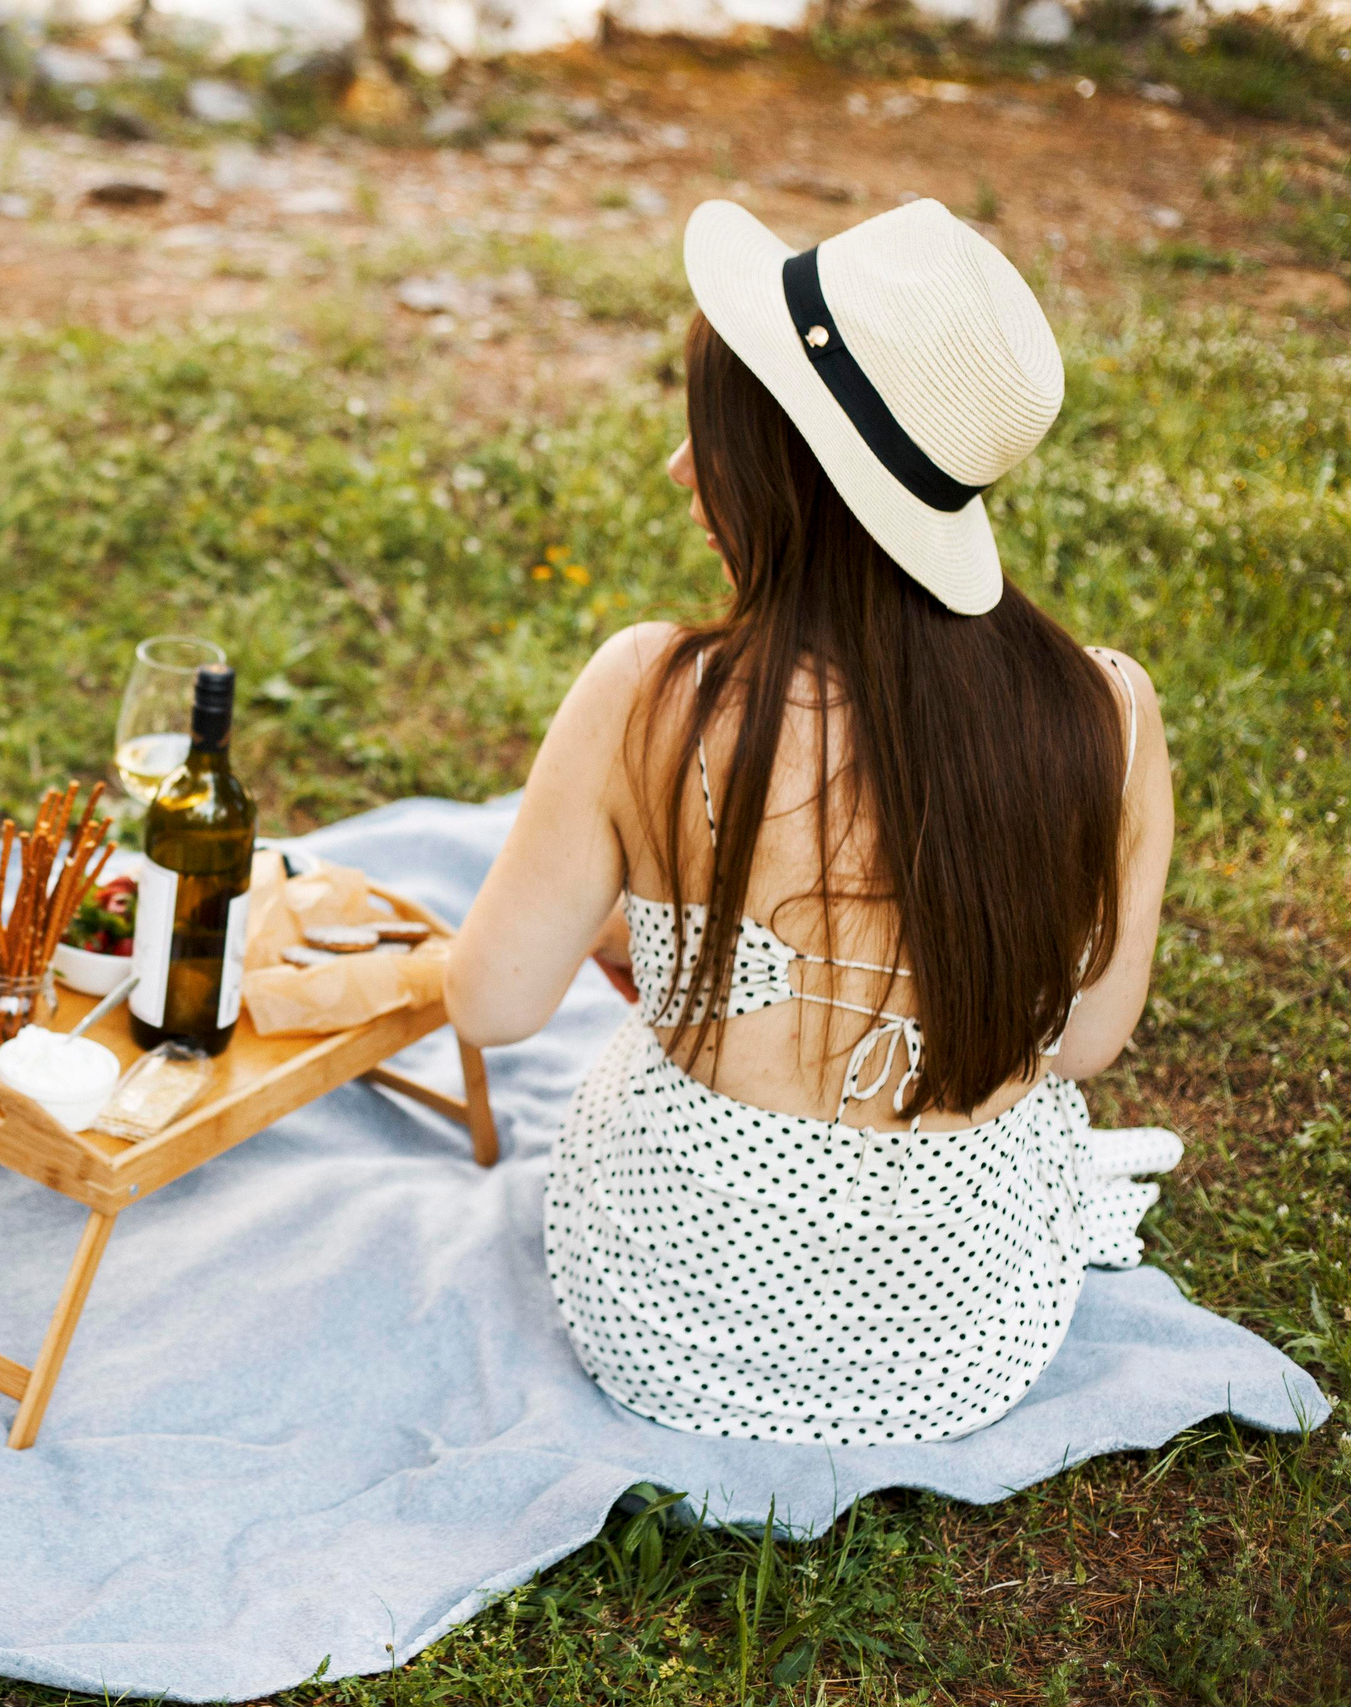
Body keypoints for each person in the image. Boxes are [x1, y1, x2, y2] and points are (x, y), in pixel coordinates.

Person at [446, 197, 1182, 1445]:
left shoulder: (650, 690)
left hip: (671, 1324)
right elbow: (1087, 1042)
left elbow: (492, 1003)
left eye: (710, 438)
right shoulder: (1106, 711)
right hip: (959, 1336)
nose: (680, 471)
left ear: (790, 467)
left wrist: (636, 925)